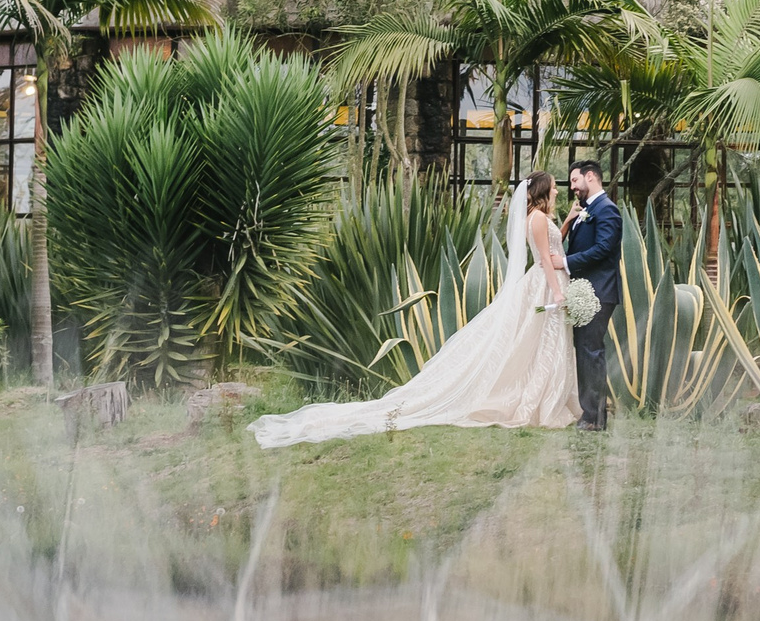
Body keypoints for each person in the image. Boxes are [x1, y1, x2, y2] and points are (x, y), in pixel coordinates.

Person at [251, 172, 579, 447]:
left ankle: (546, 397)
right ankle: (537, 401)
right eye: (552, 187)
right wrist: (555, 290)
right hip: (543, 284)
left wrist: (564, 225)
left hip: (547, 281)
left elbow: (552, 247)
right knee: (536, 343)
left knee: (539, 344)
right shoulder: (536, 218)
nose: (556, 190)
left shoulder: (541, 218)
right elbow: (544, 257)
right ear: (541, 191)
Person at [560, 159, 623, 430]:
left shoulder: (607, 210)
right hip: (584, 292)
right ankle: (589, 413)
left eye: (575, 180)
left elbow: (603, 249)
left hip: (599, 292)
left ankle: (594, 419)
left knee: (591, 352)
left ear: (590, 177)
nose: (572, 187)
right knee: (585, 352)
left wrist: (564, 263)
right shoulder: (586, 210)